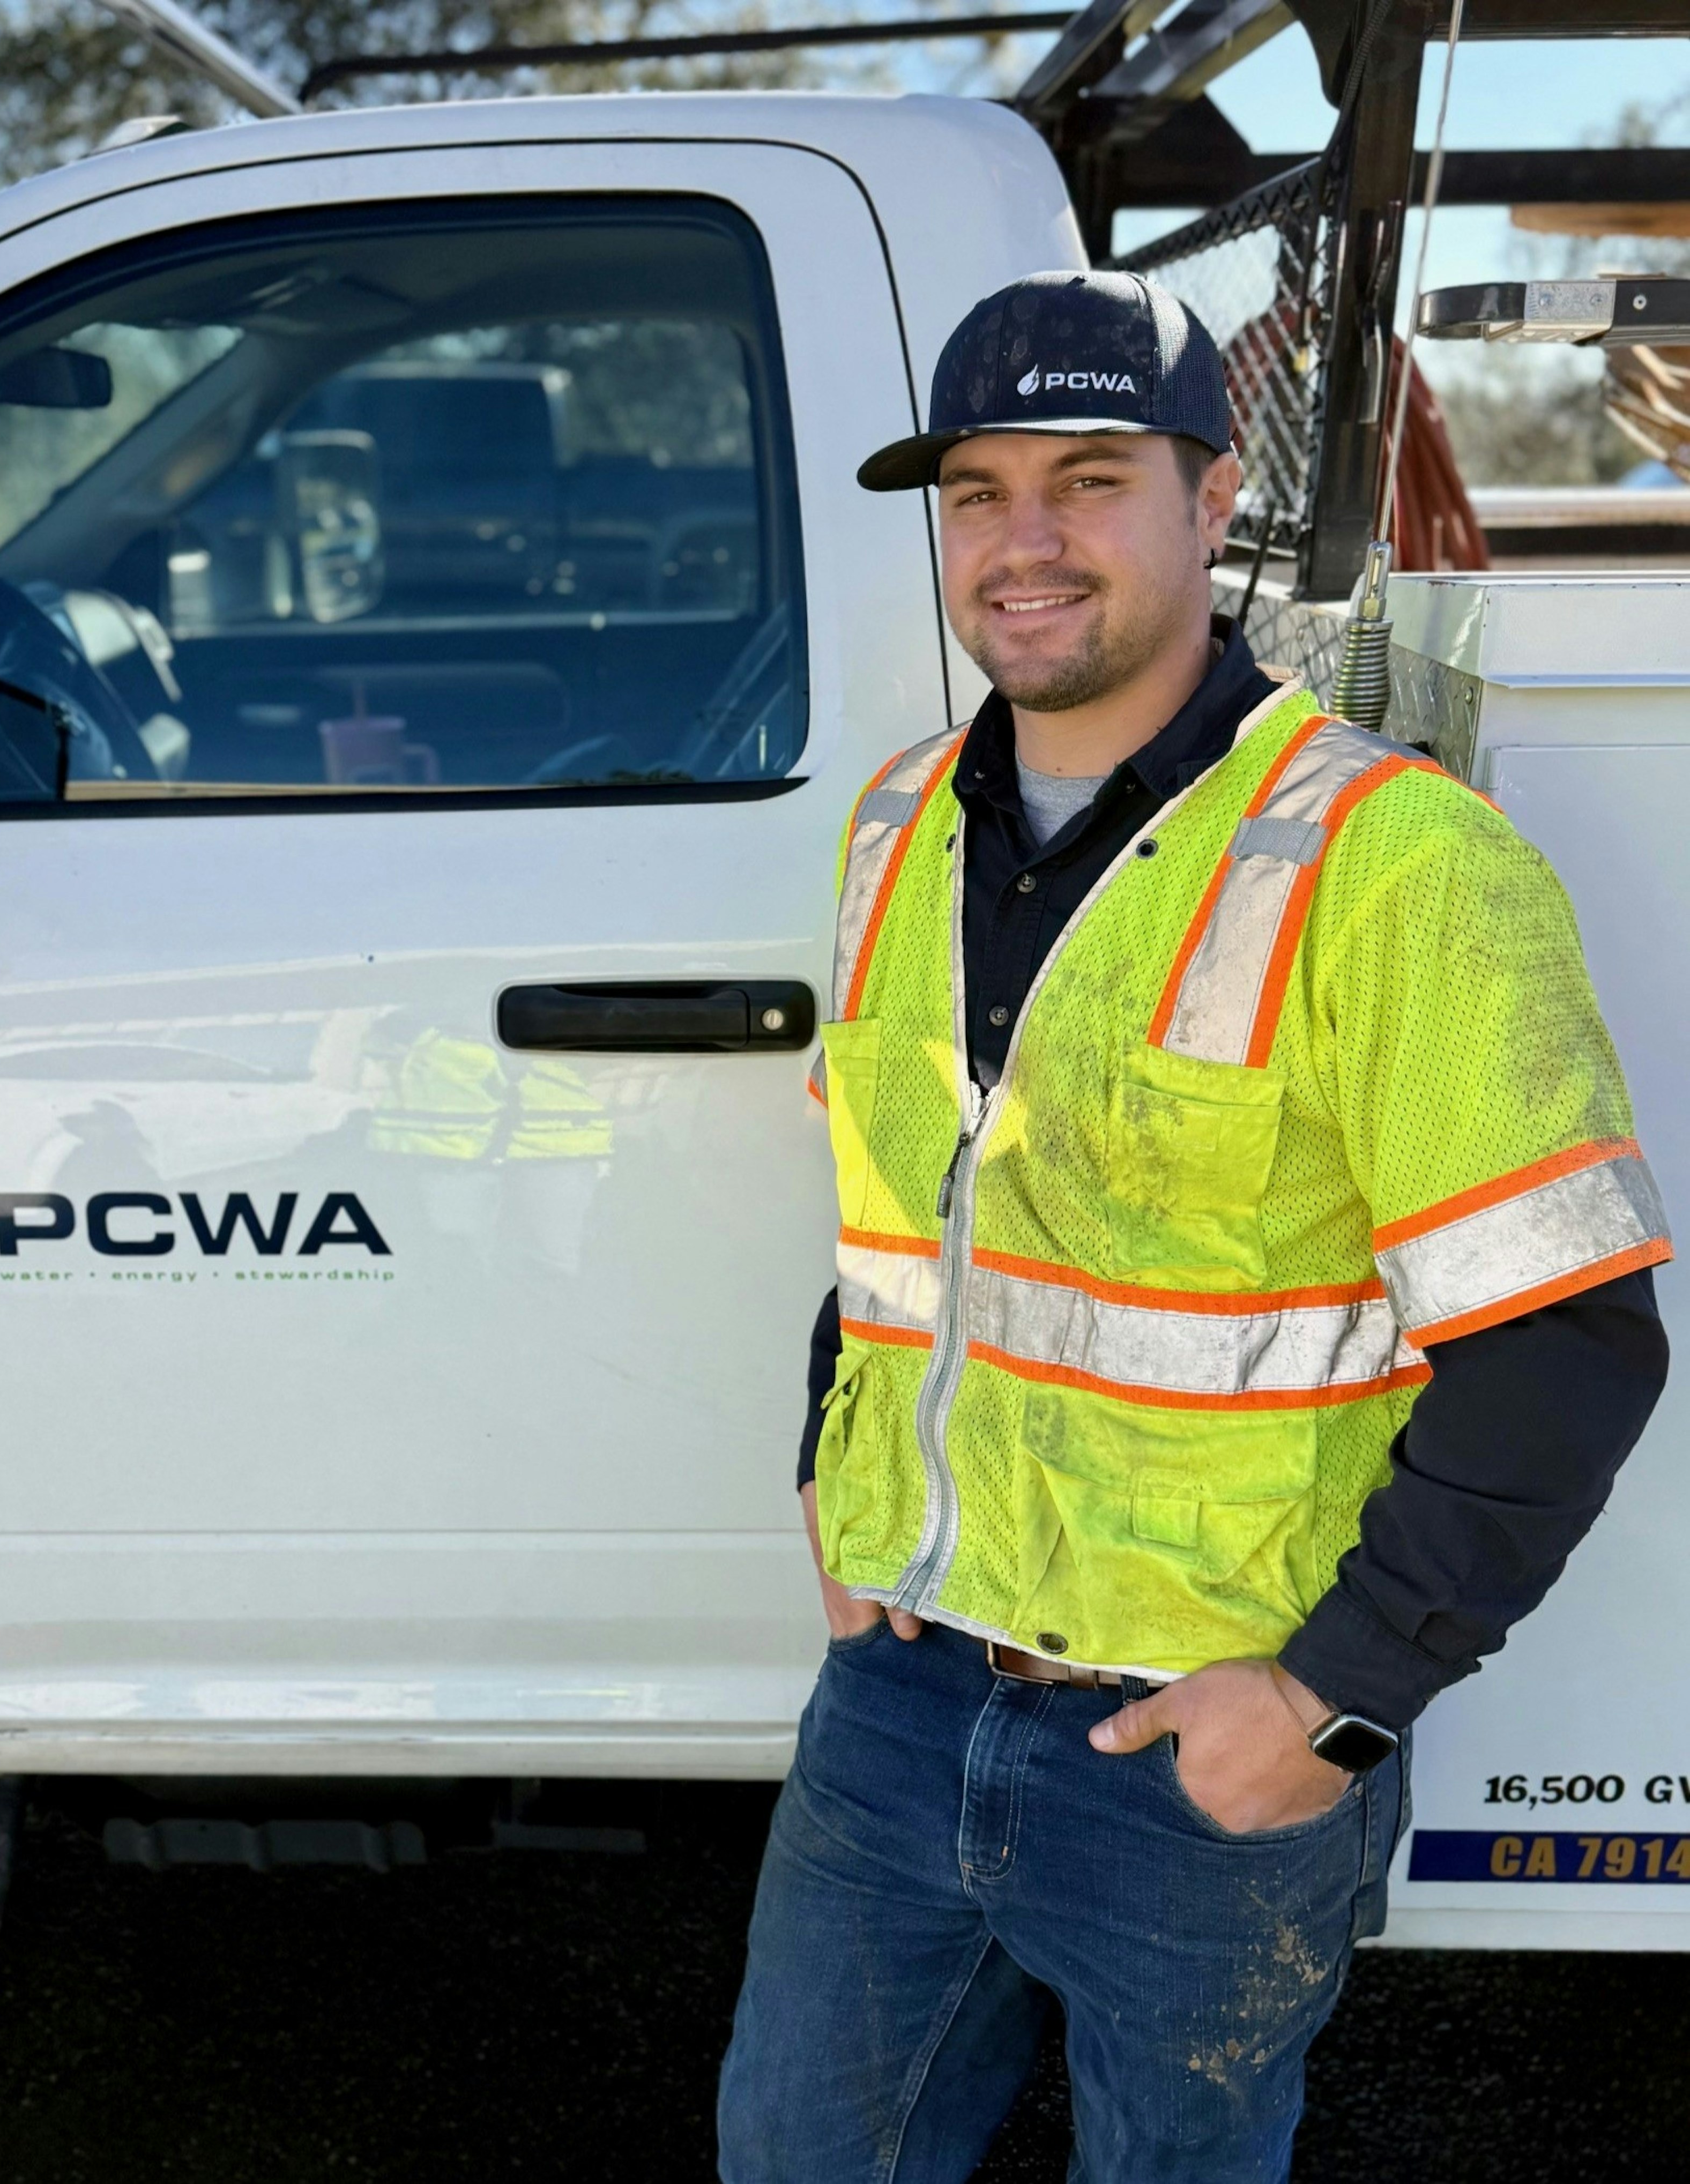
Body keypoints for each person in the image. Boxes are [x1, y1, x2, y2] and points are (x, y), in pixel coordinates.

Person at [716, 270, 1671, 2184]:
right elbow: (904, 1226)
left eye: (1089, 479)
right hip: (900, 1695)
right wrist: (832, 1470)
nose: (1026, 541)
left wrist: (1333, 1701)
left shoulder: (1396, 860)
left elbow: (1568, 1346)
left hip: (1201, 1747)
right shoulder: (897, 820)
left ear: (1213, 498)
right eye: (978, 492)